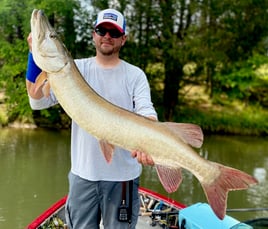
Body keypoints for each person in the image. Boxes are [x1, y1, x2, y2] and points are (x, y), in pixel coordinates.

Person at [26, 8, 157, 229]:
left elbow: (146, 111)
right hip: (83, 176)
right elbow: (37, 101)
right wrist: (33, 55)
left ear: (123, 39)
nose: (107, 36)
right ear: (93, 34)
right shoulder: (72, 69)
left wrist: (151, 140)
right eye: (102, 30)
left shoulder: (135, 75)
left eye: (114, 33)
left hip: (123, 178)